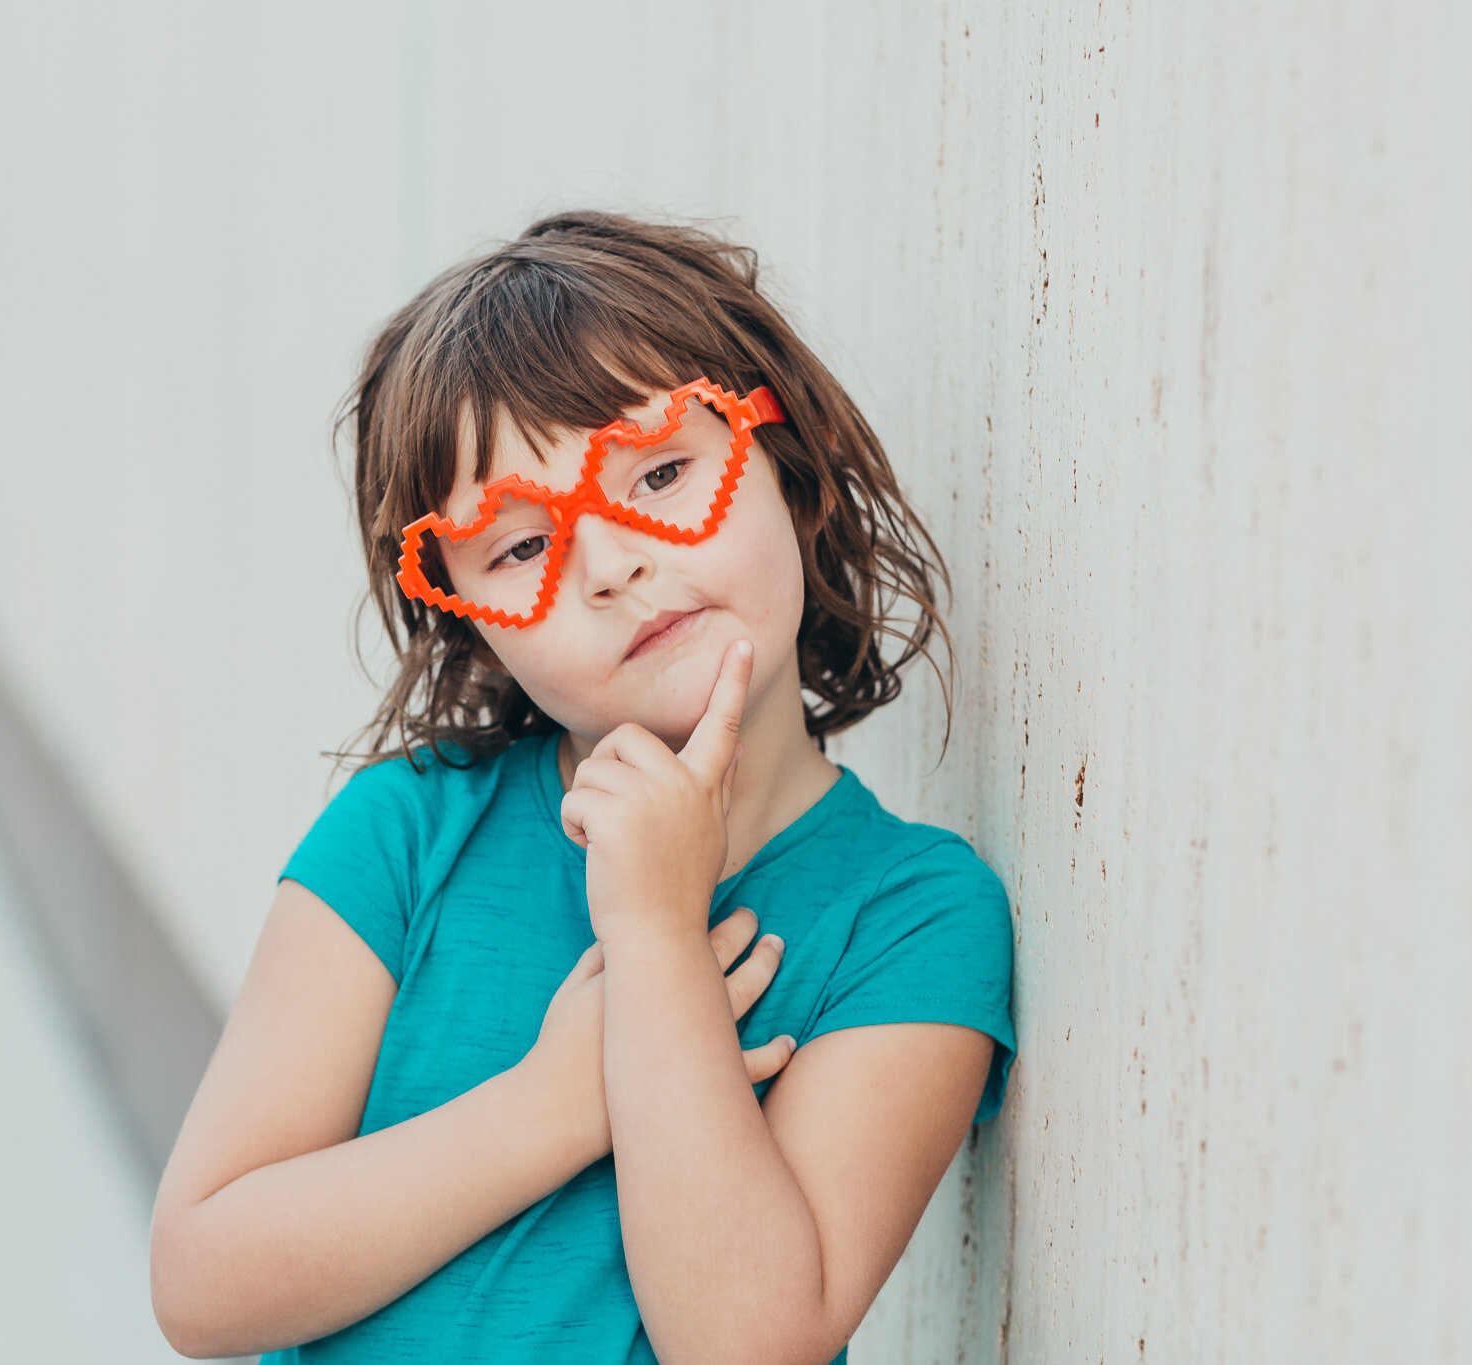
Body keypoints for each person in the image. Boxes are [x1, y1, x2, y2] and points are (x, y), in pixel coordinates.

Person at [149, 212, 1016, 1365]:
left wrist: (657, 942)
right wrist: (553, 1104)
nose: (610, 563)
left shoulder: (909, 911)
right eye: (517, 549)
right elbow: (201, 1284)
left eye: (660, 473)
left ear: (788, 466)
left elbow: (747, 1344)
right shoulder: (404, 835)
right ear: (467, 624)